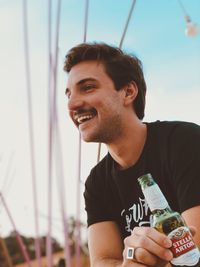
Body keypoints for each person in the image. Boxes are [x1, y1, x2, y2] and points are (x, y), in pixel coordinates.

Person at [63, 42, 200, 267]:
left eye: (87, 87)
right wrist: (131, 257)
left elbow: (193, 252)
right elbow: (104, 260)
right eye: (68, 94)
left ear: (128, 92)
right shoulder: (97, 183)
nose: (73, 103)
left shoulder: (184, 141)